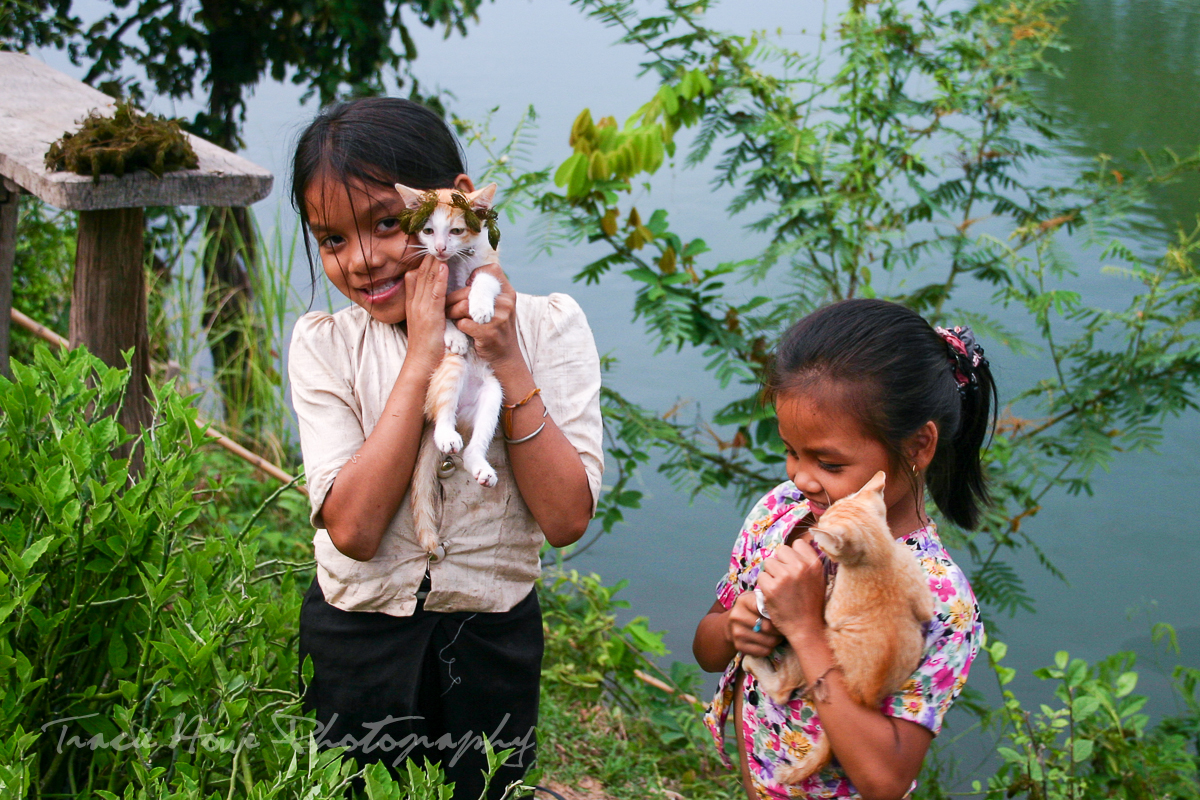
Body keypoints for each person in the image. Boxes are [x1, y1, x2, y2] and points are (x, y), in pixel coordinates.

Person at [286, 97, 603, 798]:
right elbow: (355, 530)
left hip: (492, 641)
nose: (362, 261)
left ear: (460, 203)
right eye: (332, 239)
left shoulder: (552, 330)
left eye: (387, 223)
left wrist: (508, 360)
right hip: (356, 642)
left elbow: (566, 520)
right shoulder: (326, 348)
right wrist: (424, 350)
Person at [693, 299, 993, 800]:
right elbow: (707, 649)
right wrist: (735, 627)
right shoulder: (781, 513)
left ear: (919, 446)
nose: (800, 477)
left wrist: (806, 631)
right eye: (791, 451)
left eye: (830, 464)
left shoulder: (938, 596)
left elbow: (885, 780)